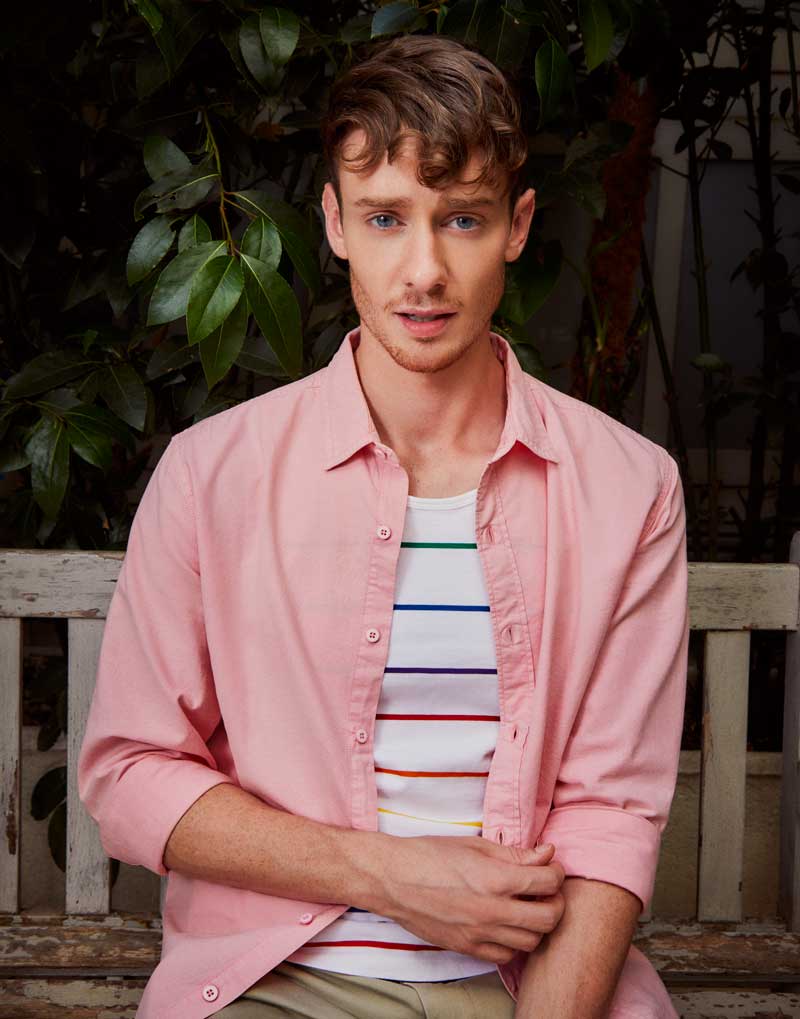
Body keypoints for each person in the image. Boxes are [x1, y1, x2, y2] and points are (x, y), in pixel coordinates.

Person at [77, 33, 689, 1019]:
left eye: (462, 219)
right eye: (385, 218)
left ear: (518, 225)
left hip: (530, 985)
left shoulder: (628, 487)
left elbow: (608, 813)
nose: (424, 270)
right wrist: (388, 873)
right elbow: (130, 772)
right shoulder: (212, 474)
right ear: (334, 222)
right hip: (272, 982)